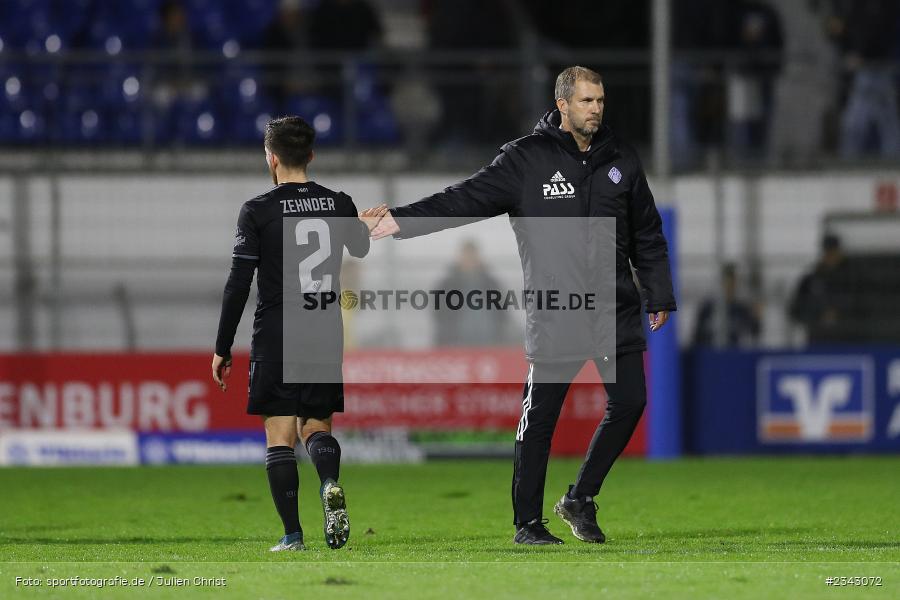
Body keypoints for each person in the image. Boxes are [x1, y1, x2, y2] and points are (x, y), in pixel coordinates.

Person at [364, 66, 676, 545]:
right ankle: (527, 524)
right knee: (541, 420)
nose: (596, 108)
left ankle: (580, 498)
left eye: (601, 100)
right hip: (558, 312)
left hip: (613, 308)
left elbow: (647, 232)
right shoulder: (526, 160)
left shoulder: (622, 159)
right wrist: (399, 221)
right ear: (564, 104)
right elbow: (461, 199)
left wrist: (658, 291)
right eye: (588, 101)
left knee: (631, 402)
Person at [212, 116, 376, 551]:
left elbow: (237, 284)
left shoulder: (258, 210)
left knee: (279, 435)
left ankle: (292, 535)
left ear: (271, 158)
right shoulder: (338, 202)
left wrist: (222, 346)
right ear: (312, 156)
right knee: (316, 426)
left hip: (278, 330)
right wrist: (359, 222)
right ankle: (329, 483)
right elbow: (360, 247)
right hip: (324, 328)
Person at [433, 239, 511, 347]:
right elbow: (440, 314)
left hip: (489, 343)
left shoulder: (491, 283)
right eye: (466, 256)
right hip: (456, 343)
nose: (469, 260)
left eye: (472, 256)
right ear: (459, 257)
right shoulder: (447, 285)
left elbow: (502, 313)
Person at [788, 233, 862, 344]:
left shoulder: (852, 278)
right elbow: (795, 309)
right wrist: (818, 316)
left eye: (833, 251)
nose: (830, 255)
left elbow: (861, 305)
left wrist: (840, 314)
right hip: (818, 340)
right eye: (828, 251)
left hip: (849, 341)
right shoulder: (811, 279)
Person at [692, 263, 761, 347]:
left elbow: (754, 332)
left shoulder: (741, 309)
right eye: (727, 282)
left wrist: (756, 317)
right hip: (710, 355)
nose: (729, 286)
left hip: (733, 355)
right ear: (721, 283)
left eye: (733, 282)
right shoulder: (707, 307)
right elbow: (696, 337)